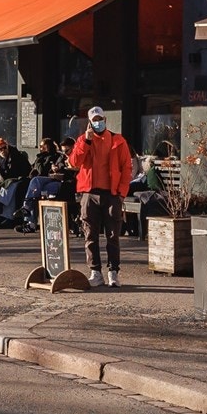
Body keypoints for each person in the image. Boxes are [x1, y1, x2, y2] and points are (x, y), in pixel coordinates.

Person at [68, 106, 132, 287]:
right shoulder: (83, 140)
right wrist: (86, 141)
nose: (97, 122)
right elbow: (74, 162)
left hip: (112, 194)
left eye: (100, 119)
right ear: (89, 122)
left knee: (113, 235)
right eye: (94, 120)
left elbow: (126, 168)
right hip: (90, 193)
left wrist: (121, 193)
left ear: (105, 119)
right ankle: (95, 272)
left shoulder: (118, 140)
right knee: (90, 234)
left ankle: (113, 272)